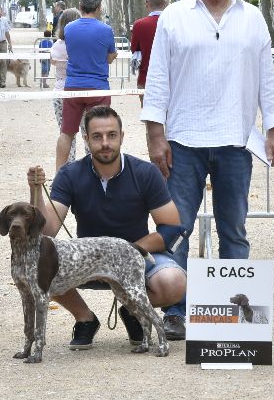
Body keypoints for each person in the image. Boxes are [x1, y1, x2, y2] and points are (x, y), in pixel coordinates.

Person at [141, 0, 274, 340]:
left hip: (236, 141)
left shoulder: (253, 17)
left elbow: (267, 78)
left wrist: (273, 129)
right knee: (177, 229)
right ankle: (176, 311)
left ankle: (232, 317)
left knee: (234, 230)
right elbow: (158, 80)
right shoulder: (173, 17)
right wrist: (156, 135)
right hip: (183, 141)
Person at [26, 106, 187, 349]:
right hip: (86, 262)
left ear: (122, 136)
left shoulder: (145, 173)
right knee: (42, 262)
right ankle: (85, 318)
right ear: (86, 139)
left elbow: (172, 228)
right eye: (97, 137)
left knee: (174, 282)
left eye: (112, 135)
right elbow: (46, 232)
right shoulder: (70, 174)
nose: (105, 143)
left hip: (136, 256)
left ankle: (133, 310)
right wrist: (36, 191)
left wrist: (129, 250)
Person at [57, 0, 117, 172]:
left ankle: (59, 173)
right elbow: (109, 56)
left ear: (80, 5)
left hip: (73, 86)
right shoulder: (106, 30)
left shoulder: (69, 28)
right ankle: (100, 171)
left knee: (67, 133)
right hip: (98, 87)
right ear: (99, 7)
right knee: (100, 133)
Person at [49, 8, 82, 164]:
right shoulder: (81, 45)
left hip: (60, 90)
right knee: (89, 133)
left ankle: (67, 171)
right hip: (79, 89)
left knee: (66, 134)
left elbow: (53, 61)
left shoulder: (56, 46)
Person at [130, 0, 167, 101]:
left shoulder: (139, 25)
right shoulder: (173, 22)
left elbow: (134, 49)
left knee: (149, 116)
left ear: (147, 3)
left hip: (146, 78)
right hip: (169, 79)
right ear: (164, 2)